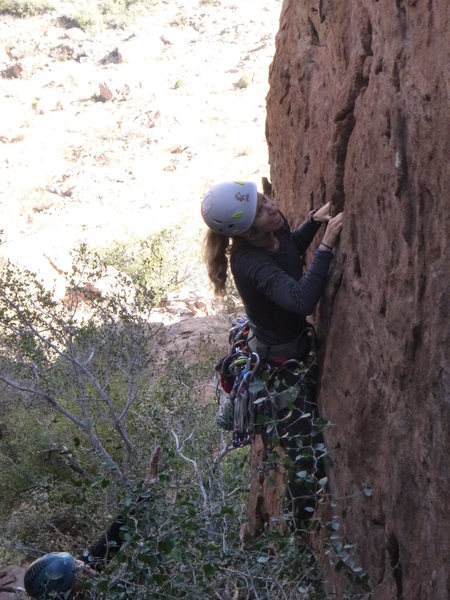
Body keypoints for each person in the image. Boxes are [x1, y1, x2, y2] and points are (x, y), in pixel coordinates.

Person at [201, 180, 344, 522]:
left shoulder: (269, 237)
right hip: (280, 367)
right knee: (304, 454)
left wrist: (312, 223)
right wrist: (325, 246)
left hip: (287, 347)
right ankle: (303, 526)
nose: (272, 208)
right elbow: (300, 300)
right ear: (246, 231)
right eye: (262, 211)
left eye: (265, 200)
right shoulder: (249, 263)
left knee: (305, 450)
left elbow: (288, 250)